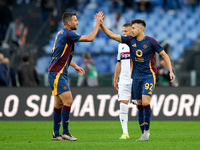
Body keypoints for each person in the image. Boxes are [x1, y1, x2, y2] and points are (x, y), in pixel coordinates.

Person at [99, 17, 175, 141]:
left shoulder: (151, 42)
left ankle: (146, 131)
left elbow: (164, 54)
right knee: (139, 104)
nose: (131, 30)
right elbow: (112, 36)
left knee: (145, 102)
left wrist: (171, 71)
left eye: (133, 28)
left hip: (149, 76)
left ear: (141, 29)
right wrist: (101, 25)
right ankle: (143, 133)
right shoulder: (129, 41)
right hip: (136, 78)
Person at [48, 11, 103, 141]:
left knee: (59, 105)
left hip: (57, 72)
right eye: (75, 20)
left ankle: (56, 134)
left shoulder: (61, 34)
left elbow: (59, 55)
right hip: (58, 74)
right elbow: (90, 38)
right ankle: (65, 132)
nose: (77, 22)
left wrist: (74, 65)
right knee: (69, 101)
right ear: (69, 23)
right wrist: (98, 24)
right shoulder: (68, 34)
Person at [113, 22, 137, 140]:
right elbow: (119, 62)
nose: (123, 34)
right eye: (122, 31)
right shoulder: (121, 46)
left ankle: (144, 131)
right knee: (123, 104)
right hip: (123, 80)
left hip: (136, 79)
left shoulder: (136, 44)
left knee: (141, 105)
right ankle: (125, 133)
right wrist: (115, 78)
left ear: (132, 32)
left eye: (126, 32)